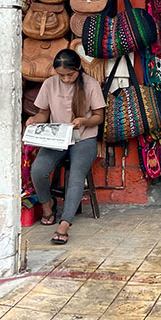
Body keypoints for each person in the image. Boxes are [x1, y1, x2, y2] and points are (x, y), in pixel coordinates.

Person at [26, 49, 105, 245]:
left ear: (78, 69)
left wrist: (83, 122)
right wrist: (34, 120)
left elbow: (99, 117)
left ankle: (65, 223)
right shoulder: (50, 84)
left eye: (70, 75)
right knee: (38, 170)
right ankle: (47, 205)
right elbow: (43, 113)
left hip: (84, 138)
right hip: (57, 139)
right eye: (62, 75)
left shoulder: (90, 84)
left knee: (77, 177)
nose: (67, 79)